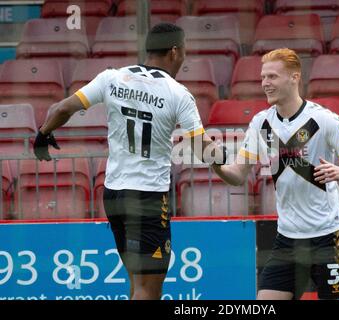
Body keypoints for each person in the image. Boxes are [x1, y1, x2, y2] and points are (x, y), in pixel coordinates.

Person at [33, 22, 225, 300]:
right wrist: (225, 159)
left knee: (136, 283)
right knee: (149, 290)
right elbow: (201, 147)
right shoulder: (178, 93)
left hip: (114, 195)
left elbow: (63, 108)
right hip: (147, 198)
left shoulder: (112, 77)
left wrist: (43, 134)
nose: (183, 57)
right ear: (174, 52)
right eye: (183, 51)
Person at [212, 48, 339, 300]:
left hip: (328, 237)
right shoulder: (260, 123)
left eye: (272, 77)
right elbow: (238, 175)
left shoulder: (324, 119)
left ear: (294, 77)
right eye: (263, 77)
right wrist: (215, 164)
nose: (265, 83)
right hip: (287, 239)